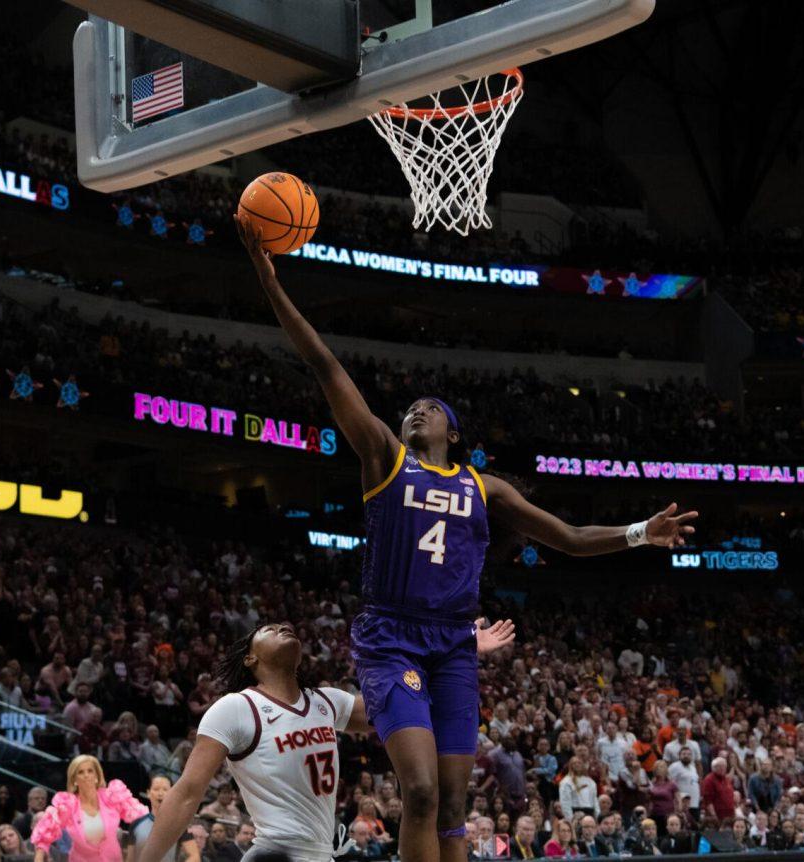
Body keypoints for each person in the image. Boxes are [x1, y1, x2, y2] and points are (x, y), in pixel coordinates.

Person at [234, 214, 697, 862]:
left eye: (431, 407)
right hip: (390, 637)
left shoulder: (485, 488)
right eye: (411, 408)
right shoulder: (385, 459)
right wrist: (268, 279)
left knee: (454, 805)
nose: (416, 410)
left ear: (454, 433)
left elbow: (567, 537)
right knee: (419, 792)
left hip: (453, 645)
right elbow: (323, 363)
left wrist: (640, 532)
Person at [138, 621, 512, 862]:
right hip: (275, 853)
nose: (284, 626)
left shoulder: (326, 701)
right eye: (270, 628)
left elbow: (404, 707)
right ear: (251, 657)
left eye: (286, 625)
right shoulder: (236, 708)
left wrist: (458, 652)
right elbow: (187, 793)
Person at [30, 756, 149, 862]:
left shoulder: (112, 797)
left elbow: (140, 816)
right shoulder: (67, 805)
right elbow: (45, 831)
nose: (86, 775)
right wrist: (39, 856)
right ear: (74, 780)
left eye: (90, 771)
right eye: (81, 772)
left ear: (97, 775)